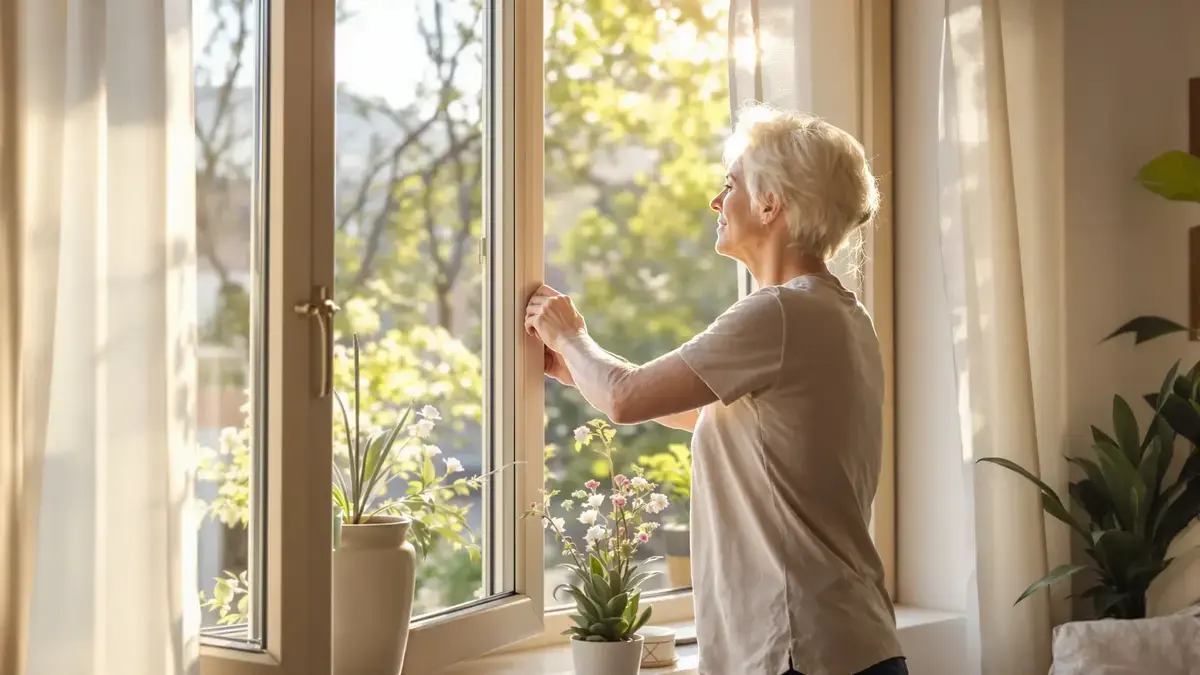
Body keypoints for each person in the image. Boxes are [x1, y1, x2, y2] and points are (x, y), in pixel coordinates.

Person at [525, 102, 905, 675]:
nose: (716, 202)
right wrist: (575, 370)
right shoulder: (842, 316)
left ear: (770, 204)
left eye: (730, 186)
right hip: (852, 643)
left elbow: (626, 398)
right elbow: (709, 414)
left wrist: (570, 336)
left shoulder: (778, 312)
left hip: (799, 650)